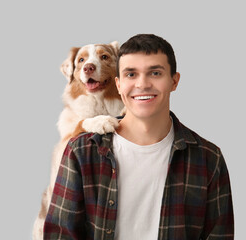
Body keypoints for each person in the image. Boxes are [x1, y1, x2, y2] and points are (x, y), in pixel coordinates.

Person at [43, 34, 234, 240]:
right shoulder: (80, 151)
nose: (142, 84)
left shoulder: (208, 158)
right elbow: (60, 235)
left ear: (174, 81)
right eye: (131, 74)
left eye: (155, 73)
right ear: (118, 84)